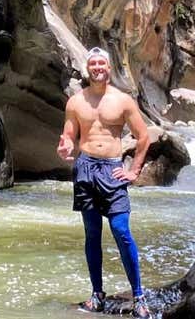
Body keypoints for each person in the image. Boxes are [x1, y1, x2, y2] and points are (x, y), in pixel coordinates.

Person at [57, 47, 152, 319]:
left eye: (102, 63)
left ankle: (139, 297)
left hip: (112, 169)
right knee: (92, 234)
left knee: (122, 231)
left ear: (109, 68)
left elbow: (143, 137)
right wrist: (64, 146)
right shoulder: (76, 102)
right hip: (86, 168)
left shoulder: (123, 101)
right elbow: (69, 134)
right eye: (93, 63)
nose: (98, 67)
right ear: (88, 69)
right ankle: (97, 295)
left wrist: (134, 171)